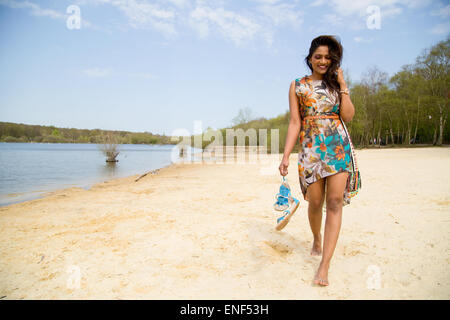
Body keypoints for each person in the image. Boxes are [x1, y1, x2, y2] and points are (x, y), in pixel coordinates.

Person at [278, 35, 356, 286]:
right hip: (311, 147)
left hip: (337, 145)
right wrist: (286, 155)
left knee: (334, 202)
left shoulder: (336, 84)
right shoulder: (298, 85)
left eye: (327, 57)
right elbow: (294, 122)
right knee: (314, 202)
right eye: (318, 56)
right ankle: (316, 236)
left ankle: (324, 265)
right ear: (310, 58)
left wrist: (343, 84)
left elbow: (348, 115)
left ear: (334, 60)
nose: (323, 61)